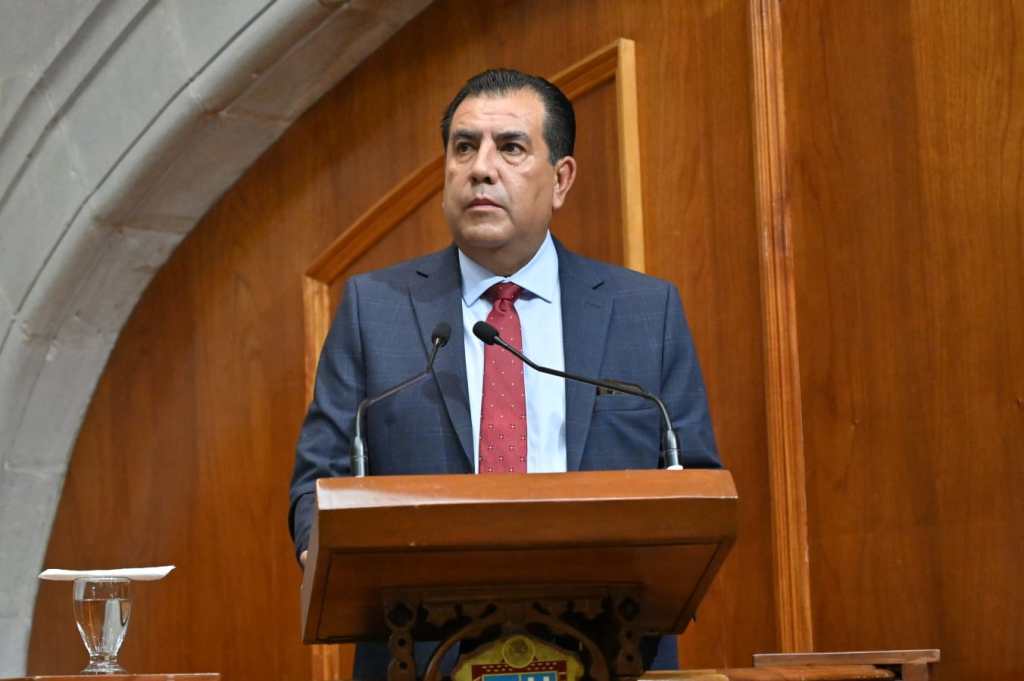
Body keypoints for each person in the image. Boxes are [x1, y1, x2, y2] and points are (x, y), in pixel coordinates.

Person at [289, 68, 721, 677]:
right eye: (464, 147)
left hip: (610, 652)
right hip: (422, 656)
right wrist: (326, 554)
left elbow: (694, 484)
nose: (481, 169)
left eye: (511, 147)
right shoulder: (375, 309)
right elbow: (318, 483)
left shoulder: (644, 312)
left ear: (561, 179)